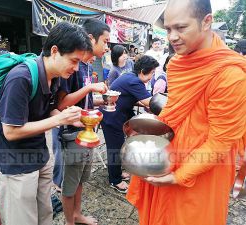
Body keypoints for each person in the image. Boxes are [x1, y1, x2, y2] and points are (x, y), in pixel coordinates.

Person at [126, 0, 246, 225]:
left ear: (206, 22)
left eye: (181, 28)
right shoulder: (177, 63)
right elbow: (178, 109)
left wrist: (178, 177)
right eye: (169, 28)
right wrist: (150, 134)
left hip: (204, 169)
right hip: (169, 155)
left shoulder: (230, 76)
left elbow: (220, 142)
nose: (172, 37)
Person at [0, 22, 92, 225]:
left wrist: (73, 118)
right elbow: (10, 131)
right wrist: (59, 119)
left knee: (45, 216)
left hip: (40, 157)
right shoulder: (20, 78)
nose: (76, 68)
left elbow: (47, 110)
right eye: (74, 60)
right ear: (54, 51)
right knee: (22, 220)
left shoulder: (56, 77)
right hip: (15, 163)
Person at [57, 18, 110, 225]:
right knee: (70, 184)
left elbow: (82, 98)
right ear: (90, 38)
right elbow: (62, 103)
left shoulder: (86, 66)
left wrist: (101, 99)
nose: (107, 47)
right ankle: (69, 221)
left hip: (87, 130)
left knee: (80, 180)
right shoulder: (71, 66)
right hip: (72, 133)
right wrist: (90, 89)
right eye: (104, 41)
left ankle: (77, 214)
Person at [101, 56, 159, 193]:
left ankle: (118, 172)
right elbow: (149, 102)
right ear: (143, 70)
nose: (152, 76)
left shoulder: (130, 76)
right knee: (114, 149)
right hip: (112, 117)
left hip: (119, 115)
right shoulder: (134, 81)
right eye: (152, 73)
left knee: (120, 145)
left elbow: (131, 97)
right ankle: (114, 180)